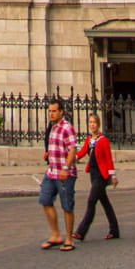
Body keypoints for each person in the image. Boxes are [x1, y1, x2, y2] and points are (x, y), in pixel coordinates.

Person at [73, 113, 120, 241]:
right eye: (90, 122)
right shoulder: (89, 139)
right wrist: (73, 158)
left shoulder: (103, 140)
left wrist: (113, 176)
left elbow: (109, 159)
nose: (92, 124)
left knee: (91, 201)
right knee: (105, 202)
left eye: (94, 122)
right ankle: (114, 230)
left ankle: (81, 231)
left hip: (102, 174)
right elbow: (82, 151)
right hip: (93, 173)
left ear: (98, 124)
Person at [38, 99, 77, 251]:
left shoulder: (67, 127)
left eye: (54, 111)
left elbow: (72, 149)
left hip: (65, 173)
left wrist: (66, 168)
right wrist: (47, 154)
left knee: (67, 206)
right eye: (50, 111)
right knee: (45, 200)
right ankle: (55, 235)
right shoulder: (52, 127)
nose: (51, 114)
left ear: (61, 112)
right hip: (52, 171)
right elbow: (54, 145)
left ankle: (69, 239)